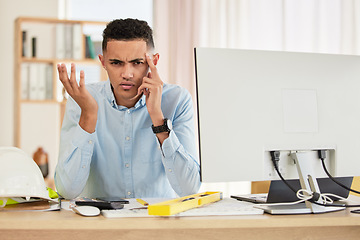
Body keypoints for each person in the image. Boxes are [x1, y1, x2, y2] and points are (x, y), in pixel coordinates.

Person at [54, 18, 201, 200]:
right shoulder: (83, 100)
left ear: (153, 61)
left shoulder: (177, 100)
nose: (127, 74)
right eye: (116, 63)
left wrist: (157, 118)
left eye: (137, 63)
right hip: (100, 223)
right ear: (103, 62)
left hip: (158, 222)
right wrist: (89, 115)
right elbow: (67, 190)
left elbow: (190, 188)